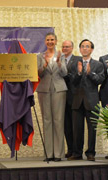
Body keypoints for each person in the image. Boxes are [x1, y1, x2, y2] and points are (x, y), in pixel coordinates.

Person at [68, 39, 104, 161]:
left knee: (92, 129)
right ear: (80, 49)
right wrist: (78, 73)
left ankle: (90, 153)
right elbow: (71, 81)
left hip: (92, 101)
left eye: (87, 46)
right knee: (77, 129)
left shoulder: (98, 64)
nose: (85, 48)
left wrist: (90, 73)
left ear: (91, 49)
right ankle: (77, 153)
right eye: (82, 46)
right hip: (77, 101)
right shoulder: (74, 64)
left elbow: (100, 80)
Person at [36, 32, 67, 162]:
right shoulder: (40, 56)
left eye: (52, 40)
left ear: (56, 41)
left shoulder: (62, 55)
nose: (50, 42)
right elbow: (37, 73)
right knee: (47, 120)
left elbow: (65, 73)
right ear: (45, 41)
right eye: (48, 39)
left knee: (58, 120)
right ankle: (49, 153)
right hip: (44, 89)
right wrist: (43, 65)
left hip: (59, 89)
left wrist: (59, 63)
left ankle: (59, 154)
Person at [62, 40, 81, 158]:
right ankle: (69, 149)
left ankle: (77, 150)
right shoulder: (59, 60)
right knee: (66, 125)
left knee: (76, 126)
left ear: (72, 48)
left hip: (74, 96)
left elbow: (76, 77)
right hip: (61, 96)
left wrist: (64, 75)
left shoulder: (78, 60)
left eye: (67, 47)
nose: (65, 48)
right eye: (63, 46)